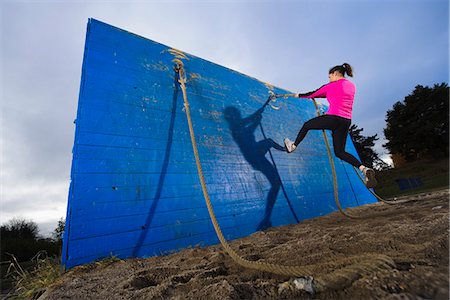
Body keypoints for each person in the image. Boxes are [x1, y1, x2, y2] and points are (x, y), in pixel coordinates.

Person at [283, 63, 377, 188]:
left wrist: (298, 95)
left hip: (333, 118)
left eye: (330, 76)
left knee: (307, 125)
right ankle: (364, 169)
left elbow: (313, 93)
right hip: (346, 121)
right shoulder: (351, 86)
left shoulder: (330, 85)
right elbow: (332, 94)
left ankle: (293, 146)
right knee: (340, 152)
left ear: (335, 74)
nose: (329, 79)